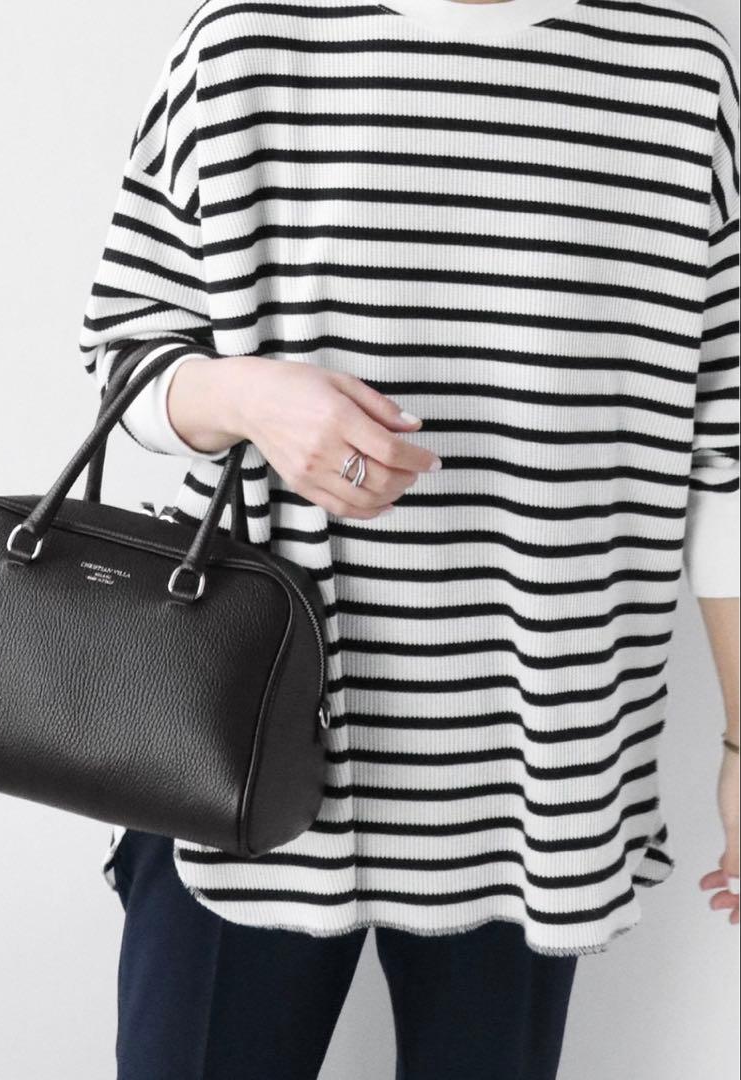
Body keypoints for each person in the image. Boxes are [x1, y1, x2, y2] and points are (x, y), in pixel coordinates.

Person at [78, 0, 740, 1076]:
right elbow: (125, 358)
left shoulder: (677, 70)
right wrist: (250, 398)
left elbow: (725, 453)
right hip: (238, 736)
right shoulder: (244, 39)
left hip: (537, 754)